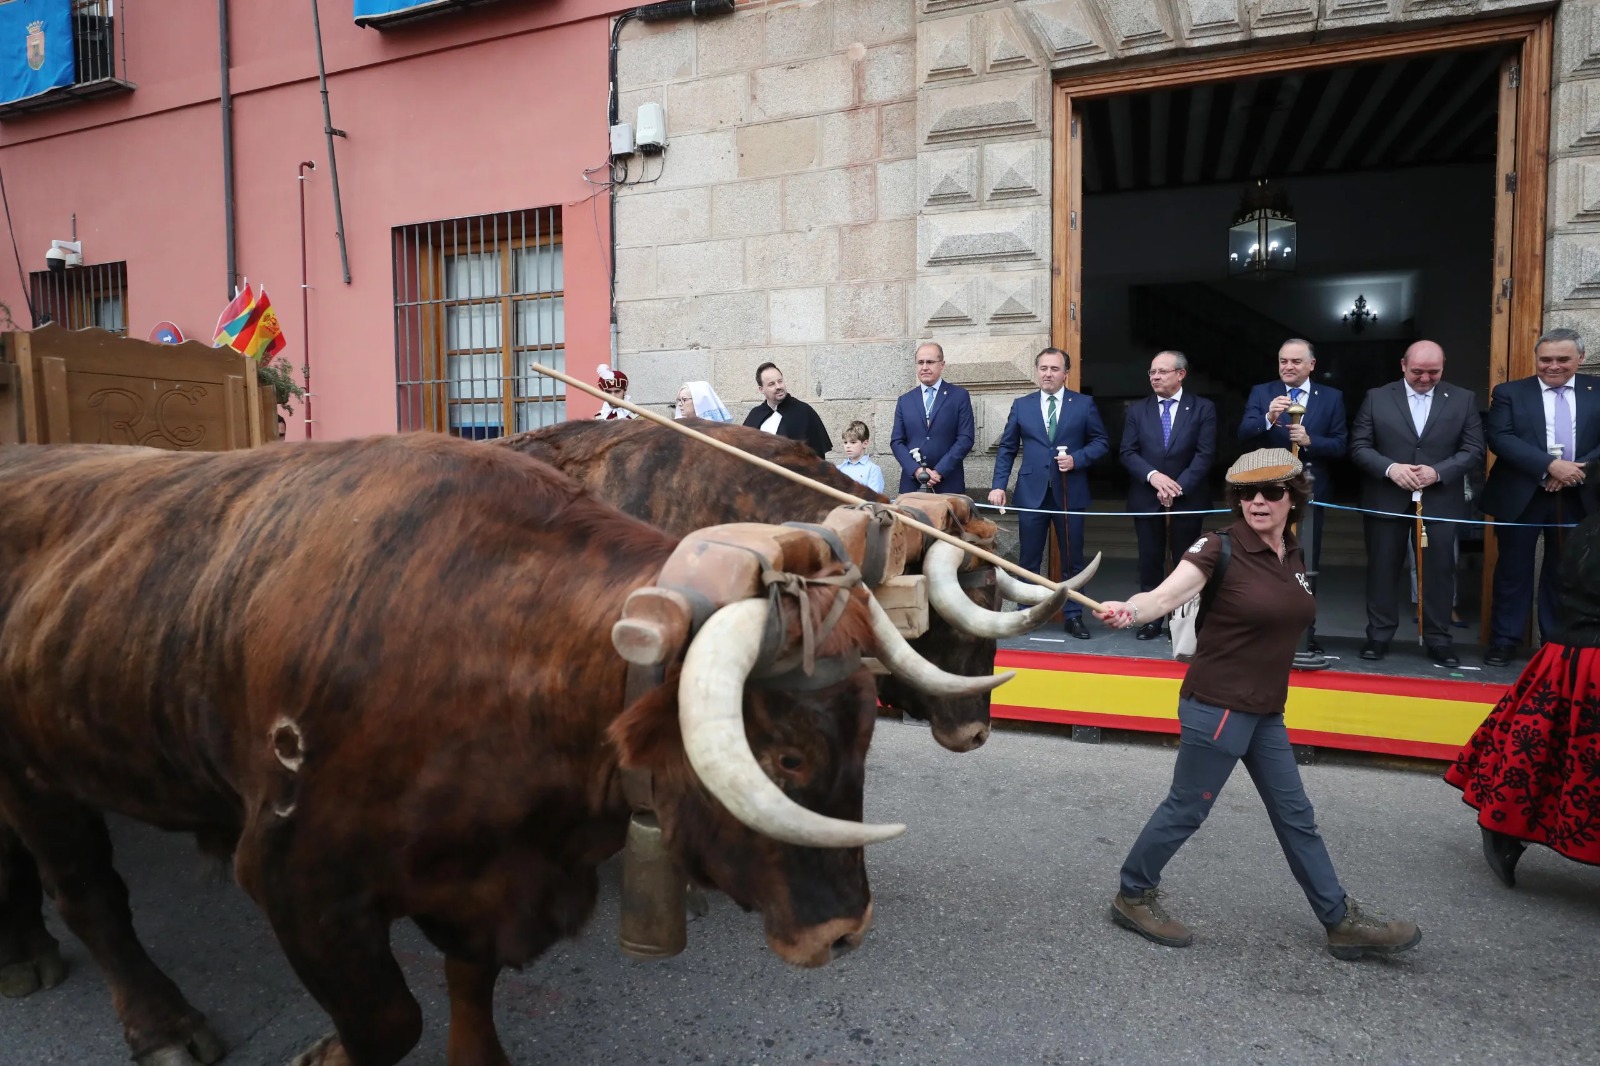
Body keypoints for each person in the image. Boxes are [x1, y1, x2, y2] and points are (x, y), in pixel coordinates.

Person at [1094, 448, 1422, 960]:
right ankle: (1132, 894)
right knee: (1187, 809)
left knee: (1297, 817)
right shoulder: (1217, 546)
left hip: (1266, 710)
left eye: (1271, 491)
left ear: (1294, 497)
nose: (1258, 502)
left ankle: (1339, 921)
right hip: (1219, 705)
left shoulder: (1291, 553)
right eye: (1247, 494)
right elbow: (1163, 596)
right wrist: (1129, 610)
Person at [1447, 461, 1600, 886]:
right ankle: (1504, 828)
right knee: (1551, 755)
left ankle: (1505, 828)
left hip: (1575, 656)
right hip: (1583, 655)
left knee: (1551, 754)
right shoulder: (1589, 535)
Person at [1348, 341, 1484, 666]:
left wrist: (1438, 472)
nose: (1425, 378)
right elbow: (1359, 446)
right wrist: (1390, 469)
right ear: (1403, 365)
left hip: (1440, 501)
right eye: (1417, 371)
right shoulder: (1377, 397)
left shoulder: (1463, 399)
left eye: (1433, 372)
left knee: (1440, 573)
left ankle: (1439, 639)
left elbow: (1474, 449)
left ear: (1443, 366)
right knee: (1382, 569)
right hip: (1386, 498)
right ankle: (1379, 636)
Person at [1479, 328, 1600, 668]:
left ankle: (1556, 645)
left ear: (1580, 358)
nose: (1553, 366)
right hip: (1522, 494)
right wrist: (1549, 466)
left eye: (1563, 359)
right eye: (1545, 359)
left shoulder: (1597, 391)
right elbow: (1500, 438)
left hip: (1579, 495)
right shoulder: (1510, 392)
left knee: (1567, 573)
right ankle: (1504, 641)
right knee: (1512, 570)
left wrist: (1577, 470)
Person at [988, 347, 1108, 639]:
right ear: (1037, 371)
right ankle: (1026, 614)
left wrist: (1077, 459)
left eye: (1054, 369)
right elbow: (1007, 448)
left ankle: (1073, 615)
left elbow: (1101, 442)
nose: (1048, 374)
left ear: (1066, 373)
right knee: (1029, 559)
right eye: (1043, 368)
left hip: (1070, 492)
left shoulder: (1084, 404)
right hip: (1032, 493)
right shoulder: (1022, 405)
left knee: (1072, 560)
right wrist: (998, 485)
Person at [1238, 339, 1347, 654]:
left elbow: (1341, 445)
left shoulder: (1332, 397)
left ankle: (1303, 634)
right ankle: (1261, 631)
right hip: (1266, 491)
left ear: (1311, 365)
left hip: (1309, 492)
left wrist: (1311, 441)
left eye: (1296, 361)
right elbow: (1242, 434)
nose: (1288, 366)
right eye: (1283, 361)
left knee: (1304, 562)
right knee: (1261, 560)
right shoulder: (1262, 393)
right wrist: (1268, 418)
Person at [1120, 351, 1217, 640]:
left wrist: (1177, 486)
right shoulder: (1138, 410)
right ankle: (1151, 618)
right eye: (1152, 372)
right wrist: (1154, 477)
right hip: (1146, 496)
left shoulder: (1202, 408)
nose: (1155, 377)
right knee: (1149, 560)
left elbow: (1205, 453)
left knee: (1186, 562)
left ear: (1181, 374)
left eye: (1162, 371)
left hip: (1188, 498)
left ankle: (1183, 621)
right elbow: (1128, 452)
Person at [890, 342, 975, 495]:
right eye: (920, 362)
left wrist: (939, 471)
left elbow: (965, 439)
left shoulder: (959, 396)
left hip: (948, 484)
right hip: (912, 486)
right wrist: (916, 470)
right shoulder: (905, 400)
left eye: (930, 362)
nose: (924, 367)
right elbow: (896, 441)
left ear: (942, 365)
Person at [741, 362, 831, 459]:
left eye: (780, 381)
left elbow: (817, 457)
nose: (778, 387)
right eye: (771, 384)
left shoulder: (803, 412)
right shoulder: (755, 415)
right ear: (761, 389)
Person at [836, 420, 886, 495]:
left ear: (865, 443)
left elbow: (874, 497)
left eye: (853, 442)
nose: (848, 446)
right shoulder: (839, 469)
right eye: (845, 442)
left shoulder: (873, 470)